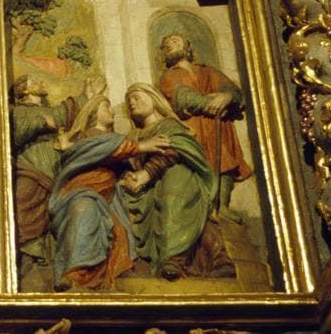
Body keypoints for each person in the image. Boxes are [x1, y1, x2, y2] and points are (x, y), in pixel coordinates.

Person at [49, 95, 170, 291]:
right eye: (106, 107)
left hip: (108, 195)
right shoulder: (85, 137)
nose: (112, 111)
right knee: (84, 210)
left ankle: (105, 279)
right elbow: (96, 151)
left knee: (118, 231)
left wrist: (128, 177)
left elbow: (119, 166)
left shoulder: (115, 140)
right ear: (93, 112)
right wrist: (140, 146)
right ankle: (75, 273)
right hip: (82, 190)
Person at [120, 83, 234, 281]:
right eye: (129, 101)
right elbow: (127, 162)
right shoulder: (133, 135)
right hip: (146, 188)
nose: (132, 103)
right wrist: (129, 177)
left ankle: (175, 258)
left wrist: (147, 173)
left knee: (174, 186)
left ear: (153, 99)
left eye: (137, 97)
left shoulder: (169, 125)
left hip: (179, 177)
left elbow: (177, 148)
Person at [158, 33, 252, 223]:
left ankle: (222, 205)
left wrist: (226, 97)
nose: (169, 45)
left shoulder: (207, 71)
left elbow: (233, 90)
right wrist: (212, 103)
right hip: (194, 127)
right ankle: (204, 205)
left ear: (187, 48)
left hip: (218, 126)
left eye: (175, 41)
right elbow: (183, 98)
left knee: (225, 160)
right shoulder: (170, 75)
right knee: (199, 162)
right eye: (165, 45)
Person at [12, 74, 105, 263]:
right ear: (24, 90)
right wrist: (41, 122)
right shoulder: (19, 111)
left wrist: (87, 95)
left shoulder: (49, 110)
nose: (40, 82)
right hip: (31, 163)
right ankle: (24, 252)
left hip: (55, 165)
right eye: (34, 81)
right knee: (23, 200)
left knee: (50, 209)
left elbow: (65, 113)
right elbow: (16, 133)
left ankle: (43, 253)